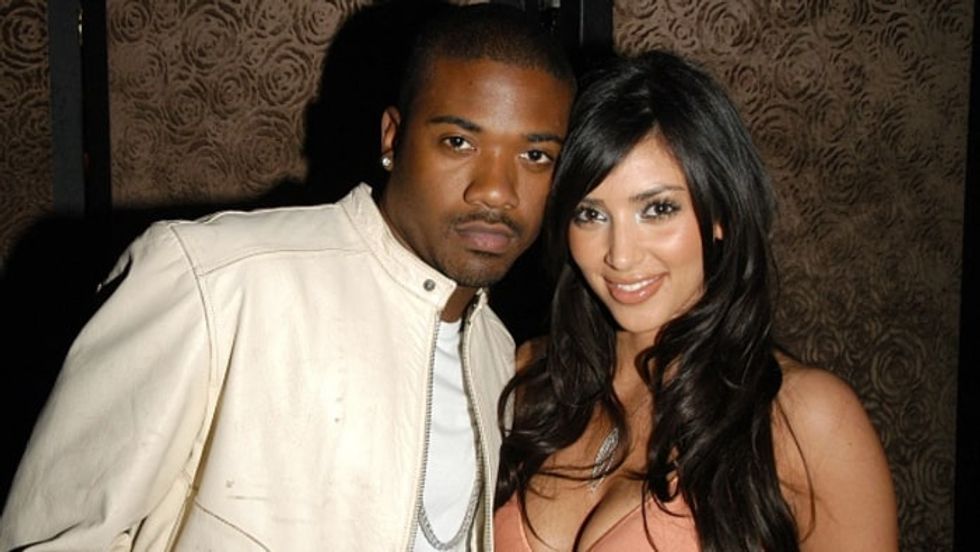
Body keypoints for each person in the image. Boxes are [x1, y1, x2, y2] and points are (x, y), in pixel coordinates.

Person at [0, 5, 574, 550]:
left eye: (536, 156)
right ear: (392, 139)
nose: (496, 191)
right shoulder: (215, 278)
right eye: (459, 142)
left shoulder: (497, 355)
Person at [493, 50, 897, 551]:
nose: (621, 255)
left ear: (719, 213)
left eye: (657, 209)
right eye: (590, 214)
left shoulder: (805, 418)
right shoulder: (529, 379)